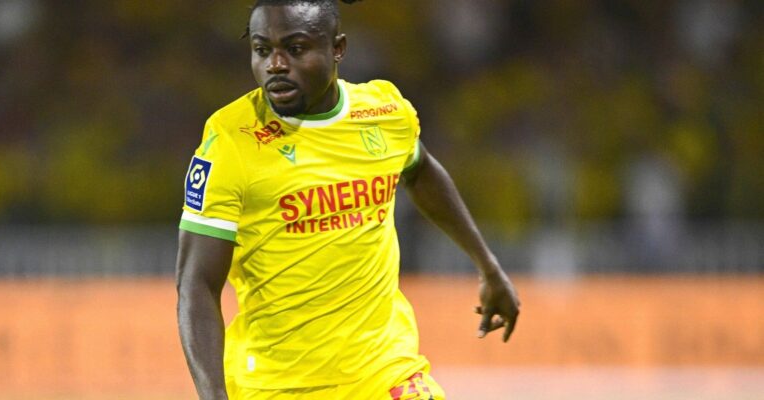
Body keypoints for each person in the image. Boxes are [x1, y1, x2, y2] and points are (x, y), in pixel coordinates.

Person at [175, 1, 520, 398]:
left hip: (385, 372)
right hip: (278, 386)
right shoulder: (230, 141)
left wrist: (488, 267)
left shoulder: (384, 113)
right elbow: (197, 285)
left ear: (337, 48)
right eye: (262, 49)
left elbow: (420, 169)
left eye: (295, 48)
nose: (275, 64)